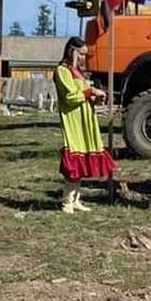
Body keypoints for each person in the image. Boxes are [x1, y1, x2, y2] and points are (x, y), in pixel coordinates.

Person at [53, 36, 116, 212]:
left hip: (86, 119)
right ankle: (66, 200)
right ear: (72, 51)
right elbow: (71, 97)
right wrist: (89, 92)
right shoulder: (63, 71)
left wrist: (96, 98)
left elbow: (84, 96)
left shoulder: (79, 73)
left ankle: (76, 199)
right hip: (73, 120)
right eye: (81, 54)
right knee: (74, 158)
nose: (83, 58)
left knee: (84, 157)